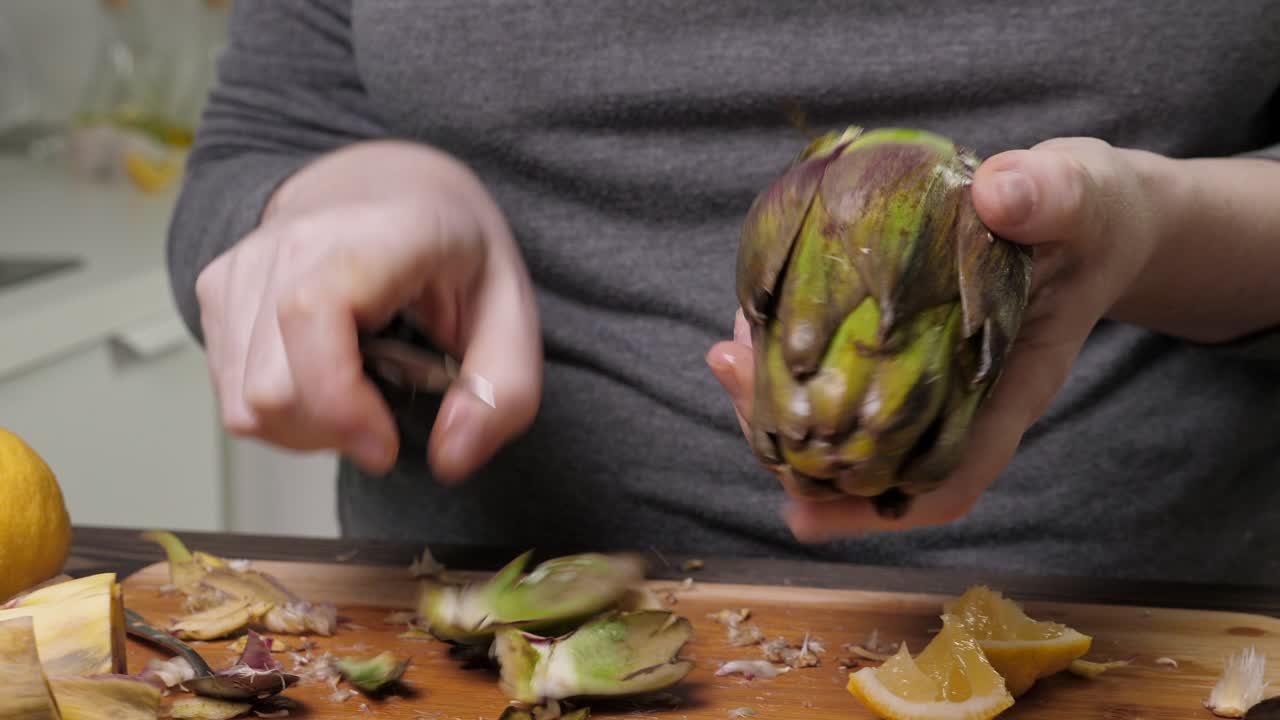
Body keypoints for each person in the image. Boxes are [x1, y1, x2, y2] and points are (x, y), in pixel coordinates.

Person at [166, 1, 1280, 586]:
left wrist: (1156, 231)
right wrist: (350, 199)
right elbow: (265, 139)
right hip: (477, 641)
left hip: (1146, 640)